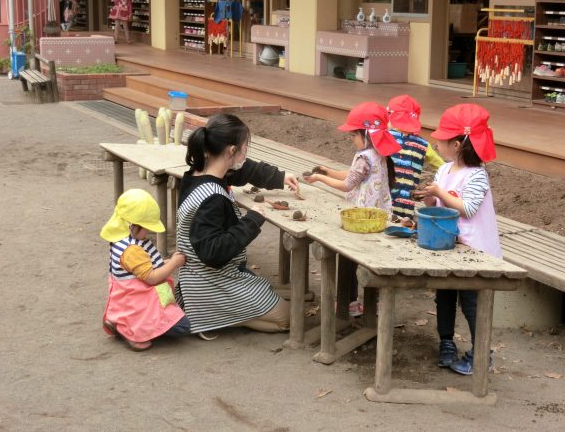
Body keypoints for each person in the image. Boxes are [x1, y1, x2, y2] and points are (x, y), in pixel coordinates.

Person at [175, 114, 299, 334]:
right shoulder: (212, 197)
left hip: (195, 276)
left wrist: (281, 177)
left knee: (266, 293)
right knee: (287, 318)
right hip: (211, 280)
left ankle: (221, 310)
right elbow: (213, 252)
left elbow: (245, 170)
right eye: (244, 147)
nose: (246, 152)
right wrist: (251, 221)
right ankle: (218, 313)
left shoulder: (198, 173)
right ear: (232, 151)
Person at [414, 103, 500, 375]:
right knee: (445, 295)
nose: (436, 142)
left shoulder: (477, 175)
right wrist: (429, 196)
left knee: (472, 303)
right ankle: (446, 342)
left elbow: (468, 208)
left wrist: (441, 191)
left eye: (441, 139)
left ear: (457, 144)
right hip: (449, 246)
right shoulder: (444, 170)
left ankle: (481, 353)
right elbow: (439, 203)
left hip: (475, 251)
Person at [304, 102, 401, 316]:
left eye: (353, 135)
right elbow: (352, 176)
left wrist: (320, 178)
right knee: (369, 260)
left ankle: (347, 303)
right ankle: (364, 305)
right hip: (378, 216)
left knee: (348, 260)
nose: (351, 139)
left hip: (360, 218)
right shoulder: (378, 154)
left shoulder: (364, 156)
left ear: (366, 134)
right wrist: (328, 171)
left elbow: (347, 184)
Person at [101, 189, 189, 351]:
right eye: (146, 228)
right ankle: (129, 330)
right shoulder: (131, 250)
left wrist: (168, 261)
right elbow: (152, 277)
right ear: (132, 226)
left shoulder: (123, 240)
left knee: (176, 315)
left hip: (132, 299)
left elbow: (146, 264)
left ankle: (119, 320)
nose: (149, 232)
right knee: (183, 326)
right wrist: (174, 263)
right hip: (140, 302)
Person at [386, 94, 444, 221]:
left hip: (383, 197)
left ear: (391, 117)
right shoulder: (423, 145)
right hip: (406, 202)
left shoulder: (385, 137)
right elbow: (442, 166)